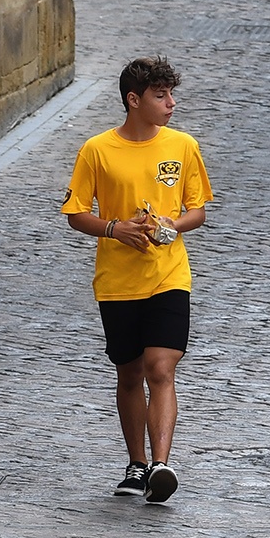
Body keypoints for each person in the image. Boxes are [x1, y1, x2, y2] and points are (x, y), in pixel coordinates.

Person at [61, 56, 213, 505]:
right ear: (134, 100)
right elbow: (75, 213)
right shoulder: (97, 150)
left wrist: (173, 225)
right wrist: (115, 229)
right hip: (117, 282)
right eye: (160, 96)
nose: (171, 104)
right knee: (129, 374)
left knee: (160, 368)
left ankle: (162, 464)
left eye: (170, 94)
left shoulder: (183, 146)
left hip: (169, 275)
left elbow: (197, 211)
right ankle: (137, 462)